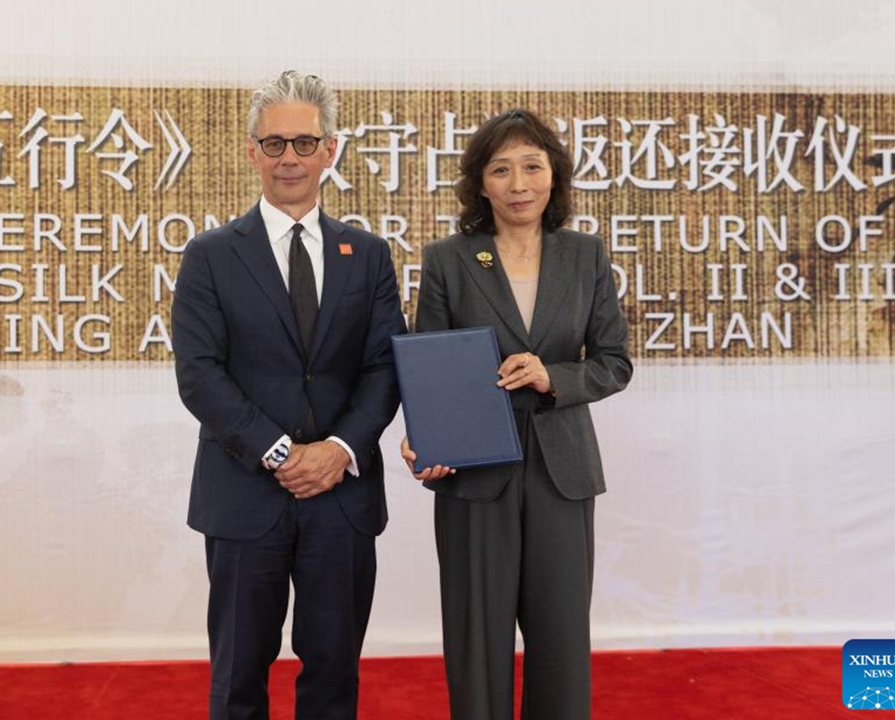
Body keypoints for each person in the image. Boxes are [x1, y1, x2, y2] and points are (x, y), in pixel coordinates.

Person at [173, 70, 406, 720]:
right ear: (252, 152)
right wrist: (279, 452)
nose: (289, 159)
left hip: (343, 498)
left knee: (334, 673)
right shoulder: (211, 255)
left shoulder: (369, 255)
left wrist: (337, 449)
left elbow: (384, 368)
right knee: (238, 675)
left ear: (331, 149)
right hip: (245, 495)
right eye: (274, 144)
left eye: (304, 144)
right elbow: (199, 373)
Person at [401, 108, 632, 720]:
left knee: (560, 637)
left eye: (533, 166)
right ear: (481, 183)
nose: (519, 183)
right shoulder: (451, 258)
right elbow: (431, 363)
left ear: (554, 176)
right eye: (501, 170)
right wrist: (423, 435)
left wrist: (552, 375)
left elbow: (614, 362)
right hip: (475, 469)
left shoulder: (584, 255)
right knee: (476, 639)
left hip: (563, 471)